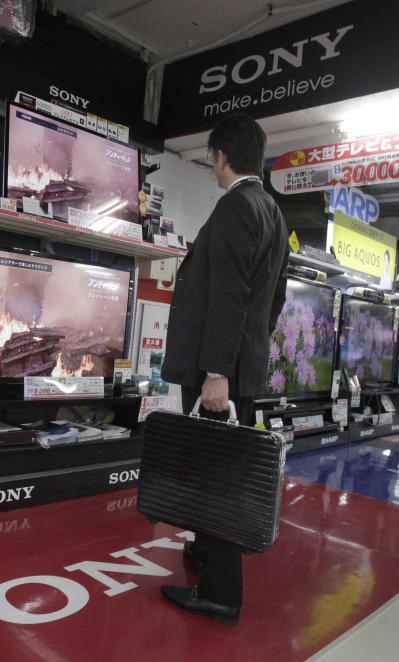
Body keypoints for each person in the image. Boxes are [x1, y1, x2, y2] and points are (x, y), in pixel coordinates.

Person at [159, 113, 289, 625]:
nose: (211, 165)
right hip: (241, 368)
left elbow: (231, 294)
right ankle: (204, 552)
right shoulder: (273, 212)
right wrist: (243, 359)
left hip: (220, 373)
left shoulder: (237, 205)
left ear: (221, 156)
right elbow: (271, 300)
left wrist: (217, 370)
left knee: (215, 476)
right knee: (217, 464)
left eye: (211, 156)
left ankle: (220, 593)